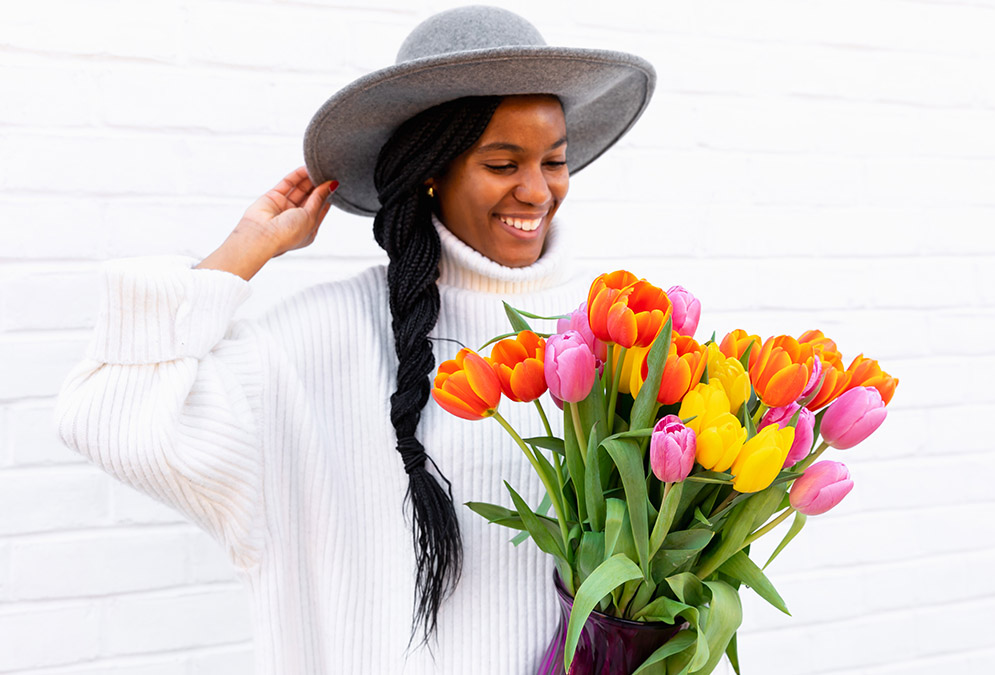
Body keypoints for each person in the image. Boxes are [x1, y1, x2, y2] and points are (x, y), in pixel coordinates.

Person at [54, 6, 655, 674]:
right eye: (503, 162)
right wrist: (243, 253)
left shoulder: (612, 333)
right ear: (433, 170)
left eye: (555, 160)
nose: (537, 190)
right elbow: (110, 411)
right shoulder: (322, 338)